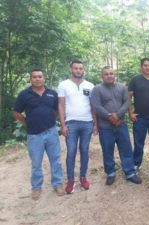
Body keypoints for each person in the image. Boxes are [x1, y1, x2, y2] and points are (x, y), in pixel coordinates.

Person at [13, 69, 64, 200]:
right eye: (34, 77)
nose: (37, 79)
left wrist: (53, 119)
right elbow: (16, 113)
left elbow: (58, 110)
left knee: (56, 161)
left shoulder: (52, 93)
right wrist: (28, 122)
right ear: (30, 79)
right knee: (36, 163)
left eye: (40, 76)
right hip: (34, 135)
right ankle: (36, 187)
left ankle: (57, 184)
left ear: (44, 78)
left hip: (52, 132)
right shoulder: (24, 94)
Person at [91, 66, 142, 185]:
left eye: (111, 73)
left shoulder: (122, 87)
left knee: (126, 149)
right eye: (106, 74)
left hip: (121, 125)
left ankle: (129, 172)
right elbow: (96, 106)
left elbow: (127, 102)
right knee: (107, 150)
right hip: (105, 127)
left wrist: (118, 115)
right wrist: (110, 116)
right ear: (102, 76)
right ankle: (110, 173)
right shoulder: (97, 89)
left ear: (115, 75)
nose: (109, 76)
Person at [58, 60, 97, 194]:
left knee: (85, 150)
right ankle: (70, 180)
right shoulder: (64, 85)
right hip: (71, 123)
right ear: (71, 69)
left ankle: (83, 177)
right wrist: (63, 125)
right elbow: (61, 105)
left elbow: (93, 106)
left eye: (80, 68)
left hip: (87, 123)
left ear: (83, 70)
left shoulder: (90, 85)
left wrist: (95, 124)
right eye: (76, 68)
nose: (78, 70)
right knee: (71, 151)